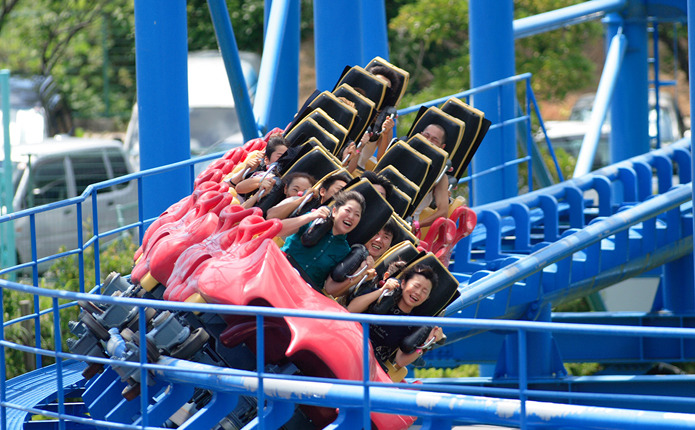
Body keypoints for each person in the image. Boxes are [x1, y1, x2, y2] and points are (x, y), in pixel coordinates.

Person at [347, 264, 445, 371]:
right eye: (416, 286)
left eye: (424, 291)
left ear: (427, 298)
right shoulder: (383, 297)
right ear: (403, 283)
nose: (418, 293)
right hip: (351, 344)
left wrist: (427, 343)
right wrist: (382, 290)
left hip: (370, 363)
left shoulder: (414, 324)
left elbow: (400, 361)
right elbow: (350, 310)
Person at [279, 190, 366, 297]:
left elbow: (329, 288)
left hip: (302, 294)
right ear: (334, 211)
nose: (351, 217)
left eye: (357, 215)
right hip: (279, 272)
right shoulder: (314, 221)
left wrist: (361, 272)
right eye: (348, 210)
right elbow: (279, 230)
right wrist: (310, 216)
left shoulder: (344, 250)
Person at [412, 123, 450, 230]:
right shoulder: (402, 152)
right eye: (426, 136)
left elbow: (443, 212)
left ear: (442, 147)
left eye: (434, 140)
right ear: (420, 135)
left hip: (408, 221)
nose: (428, 141)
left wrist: (417, 225)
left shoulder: (441, 177)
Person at [266, 171, 351, 220]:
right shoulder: (301, 200)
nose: (342, 195)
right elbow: (270, 216)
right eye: (339, 190)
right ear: (322, 191)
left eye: (346, 193)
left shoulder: (337, 220)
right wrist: (302, 199)